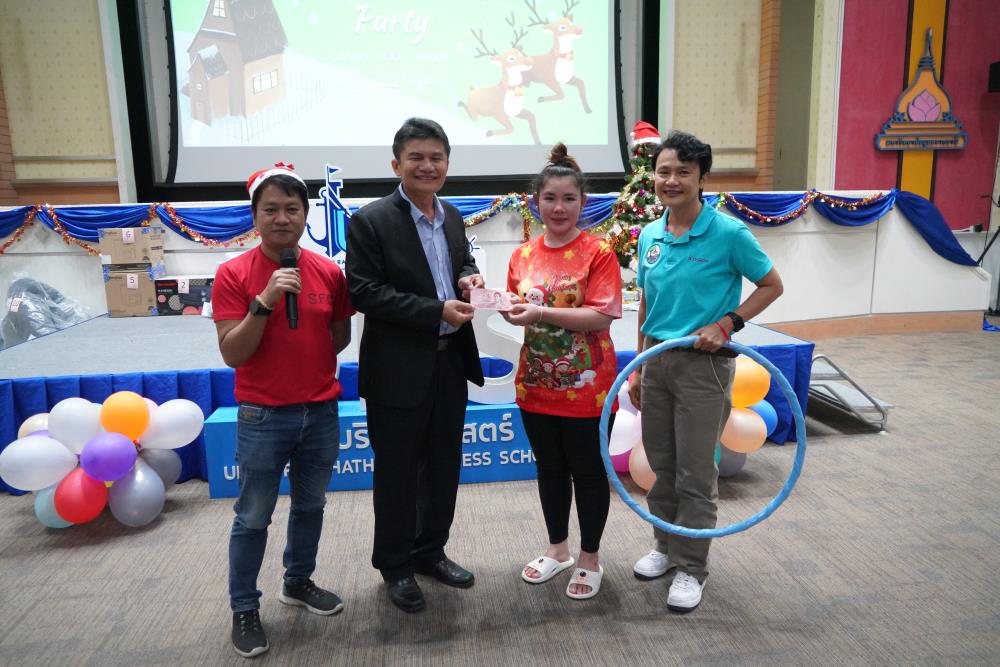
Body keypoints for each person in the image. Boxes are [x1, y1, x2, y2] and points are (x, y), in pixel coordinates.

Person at [628, 131, 783, 613]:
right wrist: (637, 367)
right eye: (664, 171)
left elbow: (771, 284)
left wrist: (727, 323)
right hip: (656, 361)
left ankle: (692, 567)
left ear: (702, 178)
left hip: (703, 367)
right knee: (662, 466)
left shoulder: (728, 233)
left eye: (683, 172)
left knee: (696, 471)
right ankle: (665, 545)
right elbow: (647, 305)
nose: (671, 180)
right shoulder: (650, 235)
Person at [213, 164, 354, 658]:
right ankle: (244, 607)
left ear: (305, 215)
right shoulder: (233, 274)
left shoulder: (329, 272)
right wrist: (265, 302)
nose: (281, 218)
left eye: (292, 209)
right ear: (255, 216)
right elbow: (232, 353)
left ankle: (298, 582)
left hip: (320, 412)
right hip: (263, 416)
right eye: (270, 209)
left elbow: (339, 337)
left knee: (311, 506)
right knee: (253, 517)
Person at [345, 118, 485, 613]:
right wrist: (435, 311)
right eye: (416, 158)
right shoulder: (370, 221)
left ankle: (431, 551)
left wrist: (469, 278)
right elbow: (365, 293)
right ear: (396, 164)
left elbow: (459, 263)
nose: (427, 166)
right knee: (398, 473)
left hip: (450, 364)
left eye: (436, 158)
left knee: (444, 467)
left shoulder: (451, 216)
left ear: (447, 163)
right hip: (397, 370)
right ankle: (396, 566)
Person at [503, 143, 622, 600]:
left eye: (569, 198)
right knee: (549, 469)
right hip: (536, 382)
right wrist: (509, 309)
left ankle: (590, 558)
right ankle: (558, 550)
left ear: (582, 202)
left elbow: (601, 315)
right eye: (550, 198)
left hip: (588, 387)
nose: (558, 207)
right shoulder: (522, 255)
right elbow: (519, 310)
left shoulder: (599, 252)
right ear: (536, 201)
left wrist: (539, 314)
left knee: (588, 472)